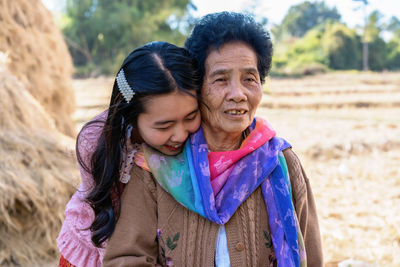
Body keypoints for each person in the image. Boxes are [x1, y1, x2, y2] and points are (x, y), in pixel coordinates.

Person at [103, 12, 323, 267]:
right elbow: (126, 259)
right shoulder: (156, 169)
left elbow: (313, 257)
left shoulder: (281, 163)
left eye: (249, 79)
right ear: (197, 87)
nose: (238, 94)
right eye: (221, 79)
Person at [57, 41, 202, 267]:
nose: (180, 135)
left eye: (191, 117)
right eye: (164, 126)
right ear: (131, 115)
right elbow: (106, 213)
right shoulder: (95, 142)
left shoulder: (202, 138)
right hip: (99, 246)